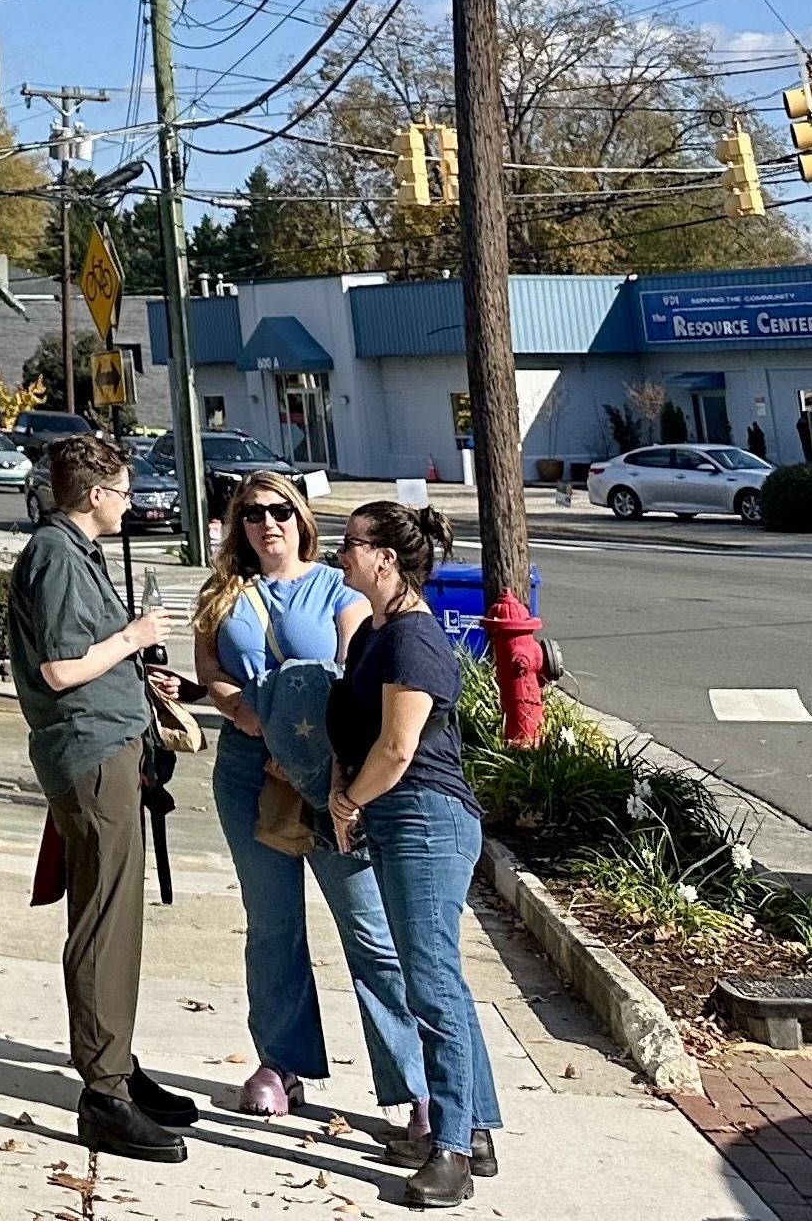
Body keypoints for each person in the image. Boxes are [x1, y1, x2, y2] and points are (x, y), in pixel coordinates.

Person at [193, 473, 423, 1122]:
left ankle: (413, 1085)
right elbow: (209, 671)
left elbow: (354, 670)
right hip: (247, 770)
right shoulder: (222, 594)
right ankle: (281, 1063)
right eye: (254, 513)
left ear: (301, 519)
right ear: (239, 525)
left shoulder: (335, 586)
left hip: (328, 774)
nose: (269, 523)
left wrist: (314, 747)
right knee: (273, 925)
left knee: (368, 930)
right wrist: (238, 708)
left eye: (282, 511)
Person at [6, 431, 199, 1162]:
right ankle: (104, 1093)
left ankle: (117, 1060)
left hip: (108, 746)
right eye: (121, 491)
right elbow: (59, 669)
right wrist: (135, 637)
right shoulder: (56, 556)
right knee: (104, 919)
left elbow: (83, 657)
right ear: (95, 495)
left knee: (118, 918)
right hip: (88, 755)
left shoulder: (70, 552)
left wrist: (130, 671)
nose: (128, 502)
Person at [331, 500, 499, 1206]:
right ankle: (478, 1127)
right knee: (434, 980)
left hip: (425, 819)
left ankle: (452, 1151)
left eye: (350, 544)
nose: (340, 555)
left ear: (385, 559)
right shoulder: (375, 632)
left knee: (431, 985)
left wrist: (348, 802)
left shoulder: (412, 639)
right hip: (398, 820)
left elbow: (399, 749)